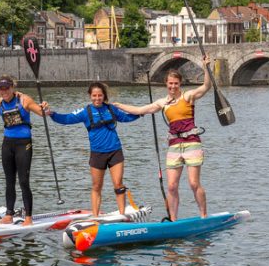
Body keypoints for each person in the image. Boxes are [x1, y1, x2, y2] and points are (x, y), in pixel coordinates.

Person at [113, 58, 212, 221]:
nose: (173, 86)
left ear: (180, 84)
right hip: (174, 146)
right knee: (172, 186)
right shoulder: (162, 102)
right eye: (170, 83)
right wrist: (118, 105)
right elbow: (139, 110)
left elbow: (206, 87)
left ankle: (204, 215)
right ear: (166, 84)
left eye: (176, 83)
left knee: (194, 183)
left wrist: (206, 68)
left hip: (191, 144)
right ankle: (173, 219)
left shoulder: (188, 97)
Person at [44, 82, 140, 217]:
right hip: (97, 153)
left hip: (115, 151)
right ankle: (95, 217)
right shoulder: (85, 112)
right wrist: (51, 114)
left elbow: (126, 117)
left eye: (100, 95)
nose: (97, 98)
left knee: (118, 184)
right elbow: (67, 119)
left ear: (104, 96)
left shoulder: (111, 109)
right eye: (94, 95)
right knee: (96, 186)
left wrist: (141, 113)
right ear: (90, 96)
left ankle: (122, 215)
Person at [0, 75, 46, 226]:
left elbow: (42, 113)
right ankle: (9, 214)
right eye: (1, 88)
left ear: (12, 87)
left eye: (7, 88)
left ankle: (28, 217)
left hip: (23, 144)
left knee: (24, 181)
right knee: (9, 181)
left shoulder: (24, 100)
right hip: (7, 145)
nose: (4, 91)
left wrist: (45, 107)